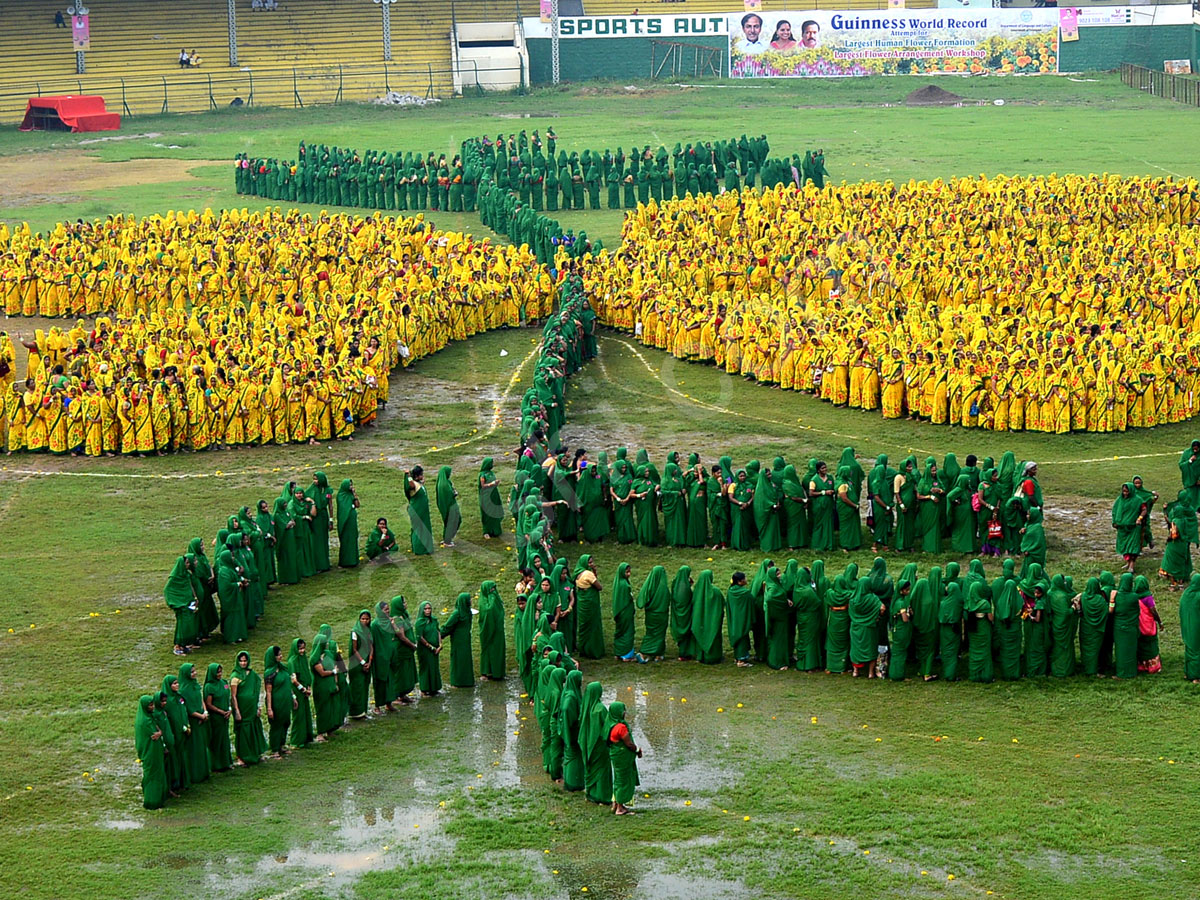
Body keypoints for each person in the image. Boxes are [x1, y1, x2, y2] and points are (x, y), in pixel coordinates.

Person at [229, 650, 266, 766]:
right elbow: (233, 696)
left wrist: (258, 706)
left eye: (245, 661)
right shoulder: (235, 676)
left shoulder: (252, 674)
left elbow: (256, 690)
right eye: (241, 661)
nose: (243, 663)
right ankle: (242, 757)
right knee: (243, 733)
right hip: (242, 709)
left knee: (254, 729)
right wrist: (237, 711)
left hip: (252, 709)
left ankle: (255, 754)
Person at [579, 680, 612, 804]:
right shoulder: (600, 709)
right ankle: (603, 796)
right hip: (599, 745)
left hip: (587, 743)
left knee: (591, 768)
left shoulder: (585, 707)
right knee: (602, 770)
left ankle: (591, 793)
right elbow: (607, 727)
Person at [606, 701, 642, 815]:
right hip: (622, 757)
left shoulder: (609, 724)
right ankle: (620, 808)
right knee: (623, 780)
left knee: (617, 779)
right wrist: (637, 751)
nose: (624, 713)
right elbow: (629, 744)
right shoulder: (621, 727)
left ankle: (615, 803)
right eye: (623, 711)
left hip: (615, 755)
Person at [177, 663, 211, 783]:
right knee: (194, 747)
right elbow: (189, 709)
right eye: (191, 672)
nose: (194, 673)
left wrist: (205, 712)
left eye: (194, 671)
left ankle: (204, 771)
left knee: (202, 745)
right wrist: (200, 716)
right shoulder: (183, 690)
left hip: (202, 719)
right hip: (194, 721)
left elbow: (201, 699)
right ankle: (195, 774)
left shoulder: (195, 685)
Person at [135, 695, 168, 810]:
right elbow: (155, 734)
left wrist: (160, 732)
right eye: (150, 705)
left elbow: (159, 732)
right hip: (151, 752)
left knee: (156, 773)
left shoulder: (149, 717)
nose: (153, 707)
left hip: (154, 751)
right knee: (152, 775)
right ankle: (152, 801)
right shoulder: (145, 721)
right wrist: (160, 732)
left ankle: (158, 798)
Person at [263, 645, 296, 757]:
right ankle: (275, 749)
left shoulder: (282, 668)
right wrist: (269, 708)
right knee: (277, 724)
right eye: (278, 655)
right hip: (276, 703)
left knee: (286, 722)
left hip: (286, 701)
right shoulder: (270, 673)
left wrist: (293, 697)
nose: (281, 657)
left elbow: (288, 685)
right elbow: (268, 691)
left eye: (281, 654)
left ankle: (282, 745)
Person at [441, 591, 476, 688]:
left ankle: (466, 681)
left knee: (465, 659)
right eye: (469, 599)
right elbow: (448, 626)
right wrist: (439, 635)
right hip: (458, 641)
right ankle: (457, 681)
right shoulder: (457, 613)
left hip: (465, 640)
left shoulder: (467, 612)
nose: (471, 601)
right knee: (458, 659)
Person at [203, 662, 234, 771]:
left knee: (225, 739)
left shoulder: (224, 683)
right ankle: (216, 764)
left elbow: (228, 697)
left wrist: (229, 709)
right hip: (216, 718)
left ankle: (226, 762)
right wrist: (221, 712)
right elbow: (209, 704)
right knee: (216, 740)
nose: (220, 674)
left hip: (225, 716)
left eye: (220, 671)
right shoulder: (209, 686)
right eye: (217, 672)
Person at [573, 555, 605, 660]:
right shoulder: (588, 574)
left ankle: (583, 649)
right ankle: (593, 650)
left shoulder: (577, 573)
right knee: (592, 625)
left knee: (584, 626)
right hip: (590, 603)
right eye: (590, 563)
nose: (592, 564)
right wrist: (593, 571)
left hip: (582, 602)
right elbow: (599, 587)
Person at [636, 564, 670, 660]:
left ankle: (656, 653)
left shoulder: (650, 585)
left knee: (651, 633)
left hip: (651, 614)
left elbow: (642, 598)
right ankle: (648, 652)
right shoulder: (664, 588)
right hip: (662, 615)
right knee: (660, 634)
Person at [287, 639, 316, 745]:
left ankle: (306, 738)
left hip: (304, 690)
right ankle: (297, 740)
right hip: (297, 691)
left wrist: (308, 687)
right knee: (298, 715)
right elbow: (293, 680)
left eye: (303, 648)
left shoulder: (303, 658)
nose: (302, 651)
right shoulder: (292, 661)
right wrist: (303, 689)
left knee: (305, 713)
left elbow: (306, 673)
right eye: (300, 649)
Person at [560, 670, 585, 792]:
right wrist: (569, 732)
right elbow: (565, 711)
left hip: (574, 732)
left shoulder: (572, 692)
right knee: (573, 758)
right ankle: (572, 784)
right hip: (572, 734)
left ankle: (576, 781)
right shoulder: (570, 697)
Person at [1112, 483, 1146, 573]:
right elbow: (1115, 511)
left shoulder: (1138, 500)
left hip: (1134, 528)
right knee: (1124, 546)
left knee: (1133, 547)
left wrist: (1139, 518)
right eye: (1124, 491)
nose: (1125, 493)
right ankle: (1128, 562)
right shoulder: (1119, 500)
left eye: (1127, 491)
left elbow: (1144, 509)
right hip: (1122, 528)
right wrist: (1115, 522)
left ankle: (1132, 566)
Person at [348, 610, 373, 718]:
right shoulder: (355, 632)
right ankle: (355, 712)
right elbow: (354, 649)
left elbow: (372, 646)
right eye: (363, 619)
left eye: (367, 619)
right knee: (357, 687)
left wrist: (370, 661)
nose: (365, 621)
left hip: (367, 662)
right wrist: (363, 662)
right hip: (357, 664)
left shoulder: (369, 631)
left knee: (364, 686)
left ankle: (363, 710)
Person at [404, 466, 435, 555]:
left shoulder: (418, 484)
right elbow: (411, 485)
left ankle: (425, 547)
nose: (423, 476)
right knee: (418, 528)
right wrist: (408, 475)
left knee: (424, 528)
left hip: (422, 511)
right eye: (421, 475)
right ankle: (419, 549)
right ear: (417, 476)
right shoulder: (412, 484)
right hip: (417, 510)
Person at [415, 600, 444, 695]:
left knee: (434, 667)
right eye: (425, 609)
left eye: (429, 608)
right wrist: (430, 647)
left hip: (435, 649)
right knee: (426, 667)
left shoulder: (434, 620)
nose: (428, 610)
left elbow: (438, 631)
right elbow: (420, 637)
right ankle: (424, 689)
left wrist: (440, 645)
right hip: (425, 650)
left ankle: (434, 688)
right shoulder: (420, 622)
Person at [611, 562, 638, 661]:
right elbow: (628, 599)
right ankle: (627, 655)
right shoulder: (625, 585)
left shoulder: (617, 582)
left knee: (620, 631)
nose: (629, 574)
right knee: (628, 632)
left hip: (619, 612)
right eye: (627, 572)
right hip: (625, 612)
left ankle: (618, 652)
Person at [1180, 572, 1200, 683]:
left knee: (1189, 648)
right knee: (1197, 650)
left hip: (1186, 625)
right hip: (1196, 626)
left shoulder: (1186, 594)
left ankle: (1188, 672)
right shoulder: (1198, 596)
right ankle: (1196, 676)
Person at [435, 465, 462, 547]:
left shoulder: (445, 482)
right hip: (450, 506)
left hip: (449, 506)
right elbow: (450, 494)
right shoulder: (444, 485)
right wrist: (454, 493)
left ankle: (447, 538)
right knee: (453, 521)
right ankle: (447, 541)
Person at [478, 457, 503, 538]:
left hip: (494, 494)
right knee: (487, 513)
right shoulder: (482, 475)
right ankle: (487, 531)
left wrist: (496, 483)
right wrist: (491, 484)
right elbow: (483, 485)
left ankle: (495, 530)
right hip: (486, 496)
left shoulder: (491, 473)